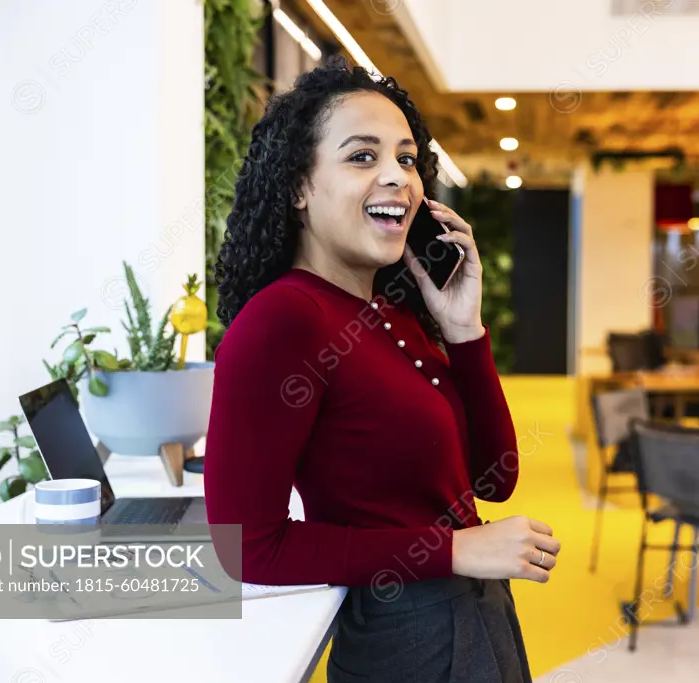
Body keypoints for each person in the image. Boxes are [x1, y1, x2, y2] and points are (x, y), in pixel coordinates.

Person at [203, 57, 559, 683]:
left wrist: (464, 332)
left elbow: (492, 478)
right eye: (362, 157)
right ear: (298, 188)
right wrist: (452, 548)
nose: (397, 176)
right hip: (407, 634)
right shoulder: (285, 320)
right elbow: (247, 547)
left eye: (406, 157)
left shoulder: (389, 310)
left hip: (469, 615)